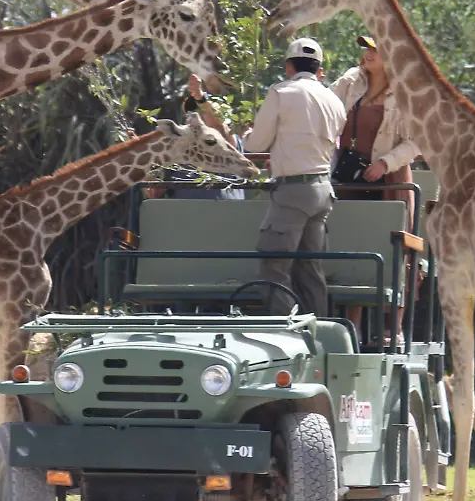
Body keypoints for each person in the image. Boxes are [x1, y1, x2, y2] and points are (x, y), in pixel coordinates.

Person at [241, 37, 346, 315]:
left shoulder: (281, 93)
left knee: (273, 266)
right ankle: (319, 334)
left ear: (289, 67)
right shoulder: (335, 102)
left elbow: (255, 145)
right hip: (323, 191)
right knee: (310, 269)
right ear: (319, 68)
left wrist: (247, 134)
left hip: (292, 192)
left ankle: (287, 333)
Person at [327, 35, 420, 228]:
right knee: (344, 235)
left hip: (389, 184)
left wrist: (385, 164)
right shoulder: (350, 81)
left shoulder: (406, 93)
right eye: (367, 49)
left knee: (383, 240)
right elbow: (322, 107)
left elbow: (416, 142)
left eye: (375, 50)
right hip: (348, 177)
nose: (368, 54)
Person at [150, 74, 247, 201]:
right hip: (186, 216)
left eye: (200, 110)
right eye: (190, 109)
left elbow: (220, 130)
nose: (194, 115)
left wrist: (201, 98)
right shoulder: (176, 145)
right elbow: (154, 193)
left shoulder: (227, 139)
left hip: (226, 214)